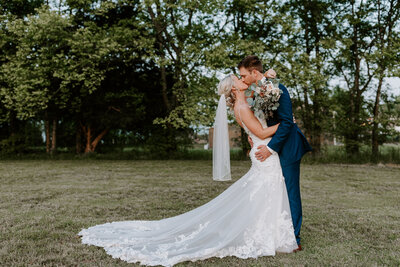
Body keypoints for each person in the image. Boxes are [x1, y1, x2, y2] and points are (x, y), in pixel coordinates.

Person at [78, 74, 299, 266]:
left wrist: (267, 79)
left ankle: (272, 232)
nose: (242, 80)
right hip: (264, 152)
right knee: (262, 190)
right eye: (237, 79)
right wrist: (287, 122)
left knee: (263, 193)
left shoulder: (245, 102)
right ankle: (266, 234)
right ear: (233, 88)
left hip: (263, 152)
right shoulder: (241, 107)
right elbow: (260, 133)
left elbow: (261, 101)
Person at [238, 55, 312, 249]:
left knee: (290, 192)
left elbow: (287, 122)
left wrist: (270, 148)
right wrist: (253, 135)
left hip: (287, 146)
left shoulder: (278, 89)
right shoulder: (255, 90)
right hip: (269, 141)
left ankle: (294, 239)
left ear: (254, 72)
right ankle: (277, 231)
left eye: (244, 75)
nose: (243, 79)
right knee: (278, 190)